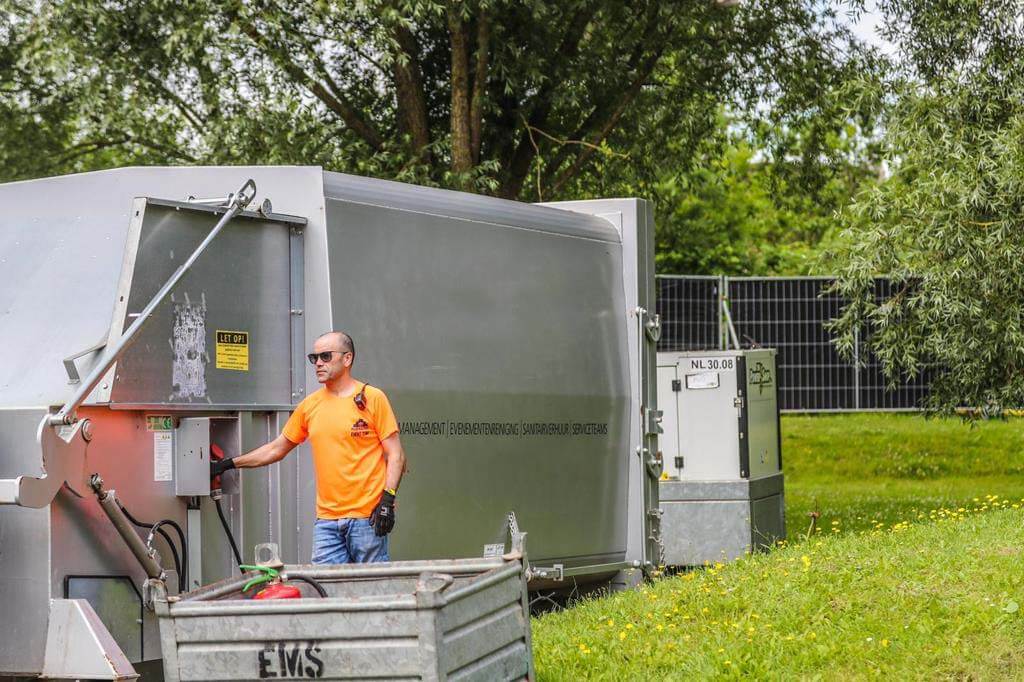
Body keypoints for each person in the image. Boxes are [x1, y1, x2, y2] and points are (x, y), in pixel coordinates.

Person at [211, 331, 406, 563]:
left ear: (347, 359)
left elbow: (396, 455)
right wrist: (229, 464)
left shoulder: (373, 398)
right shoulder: (309, 406)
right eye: (314, 358)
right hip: (327, 523)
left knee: (371, 591)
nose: (318, 363)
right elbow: (276, 449)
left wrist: (387, 501)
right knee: (323, 591)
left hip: (367, 519)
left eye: (325, 356)